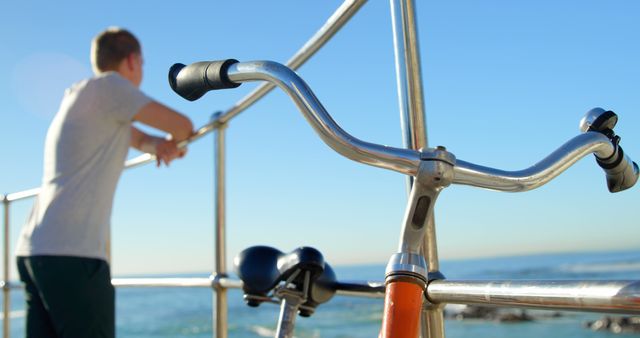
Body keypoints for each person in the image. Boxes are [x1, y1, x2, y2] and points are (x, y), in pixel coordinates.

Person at [14, 27, 194, 338]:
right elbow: (183, 125)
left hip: (35, 251)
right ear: (133, 60)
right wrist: (175, 142)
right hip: (72, 253)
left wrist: (158, 145)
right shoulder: (112, 88)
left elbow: (139, 138)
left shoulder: (84, 95)